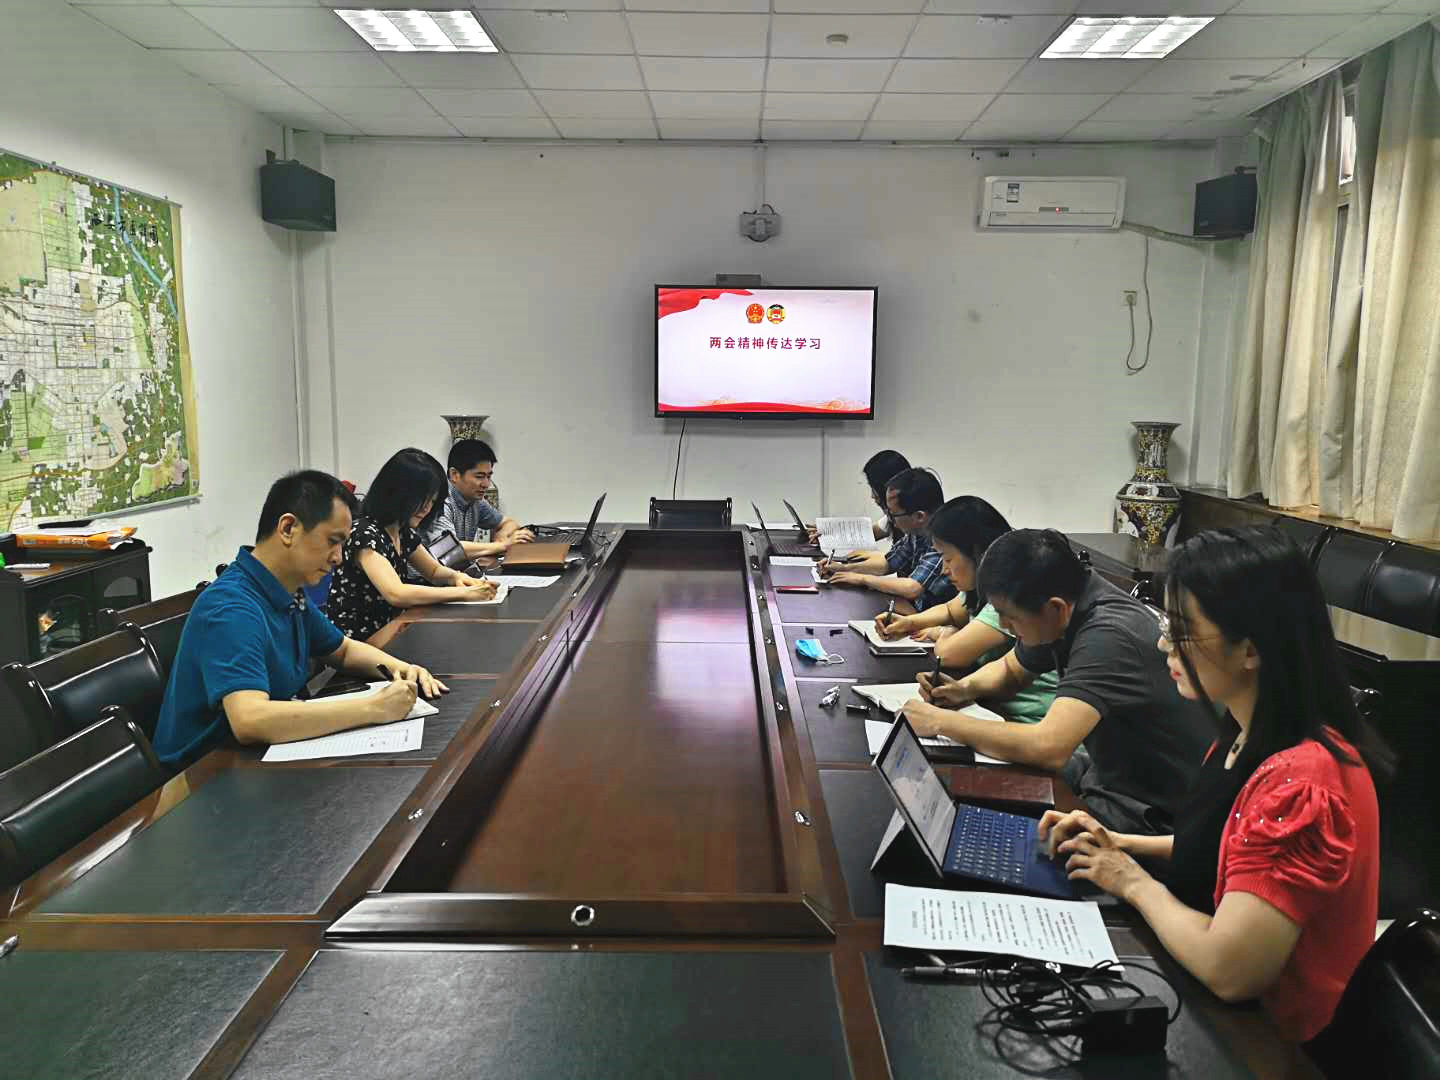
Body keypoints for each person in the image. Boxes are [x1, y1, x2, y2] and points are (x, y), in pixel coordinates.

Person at [1038, 528, 1391, 1043]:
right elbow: (1234, 850)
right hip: (1215, 993)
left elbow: (1230, 970)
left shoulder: (1302, 783)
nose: (1164, 644)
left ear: (1250, 649)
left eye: (1182, 630)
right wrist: (1121, 844)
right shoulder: (1246, 730)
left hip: (1273, 1043)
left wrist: (1131, 881)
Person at [901, 528, 1209, 833]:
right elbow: (1012, 670)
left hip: (1148, 808)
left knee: (989, 830)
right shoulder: (1066, 603)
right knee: (964, 786)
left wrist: (940, 722)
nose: (1004, 625)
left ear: (1056, 608)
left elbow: (1047, 747)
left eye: (1010, 616)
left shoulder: (1108, 635)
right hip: (1104, 774)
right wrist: (963, 689)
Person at [152, 470, 446, 770]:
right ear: (288, 528)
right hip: (206, 772)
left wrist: (402, 669)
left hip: (258, 757)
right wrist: (373, 708)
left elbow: (343, 650)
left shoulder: (287, 591)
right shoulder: (231, 607)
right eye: (332, 541)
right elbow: (249, 719)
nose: (339, 557)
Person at [875, 496, 1056, 723]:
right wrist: (909, 622)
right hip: (993, 707)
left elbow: (948, 655)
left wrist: (945, 632)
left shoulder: (1008, 598)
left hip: (1017, 718)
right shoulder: (982, 589)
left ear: (976, 553)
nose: (944, 570)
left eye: (948, 559)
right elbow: (951, 610)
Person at [328, 448, 496, 643]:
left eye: (432, 501)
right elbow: (396, 593)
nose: (427, 508)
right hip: (358, 642)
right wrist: (463, 593)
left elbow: (433, 571)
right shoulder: (364, 533)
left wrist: (457, 577)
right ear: (397, 494)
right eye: (421, 500)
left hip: (392, 630)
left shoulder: (401, 530)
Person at [818, 468, 957, 613]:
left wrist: (862, 579)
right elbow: (888, 563)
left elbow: (912, 588)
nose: (889, 520)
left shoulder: (944, 539)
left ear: (919, 516)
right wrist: (843, 569)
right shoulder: (917, 532)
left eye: (893, 514)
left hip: (937, 618)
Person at [428, 439, 533, 561]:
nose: (486, 484)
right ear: (454, 475)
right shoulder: (440, 502)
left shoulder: (476, 502)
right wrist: (503, 545)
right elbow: (448, 549)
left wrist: (501, 539)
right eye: (479, 477)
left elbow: (509, 523)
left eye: (489, 476)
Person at [806, 448, 910, 545]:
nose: (872, 496)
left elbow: (886, 559)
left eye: (874, 489)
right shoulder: (894, 516)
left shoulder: (908, 518)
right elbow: (867, 534)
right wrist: (828, 535)